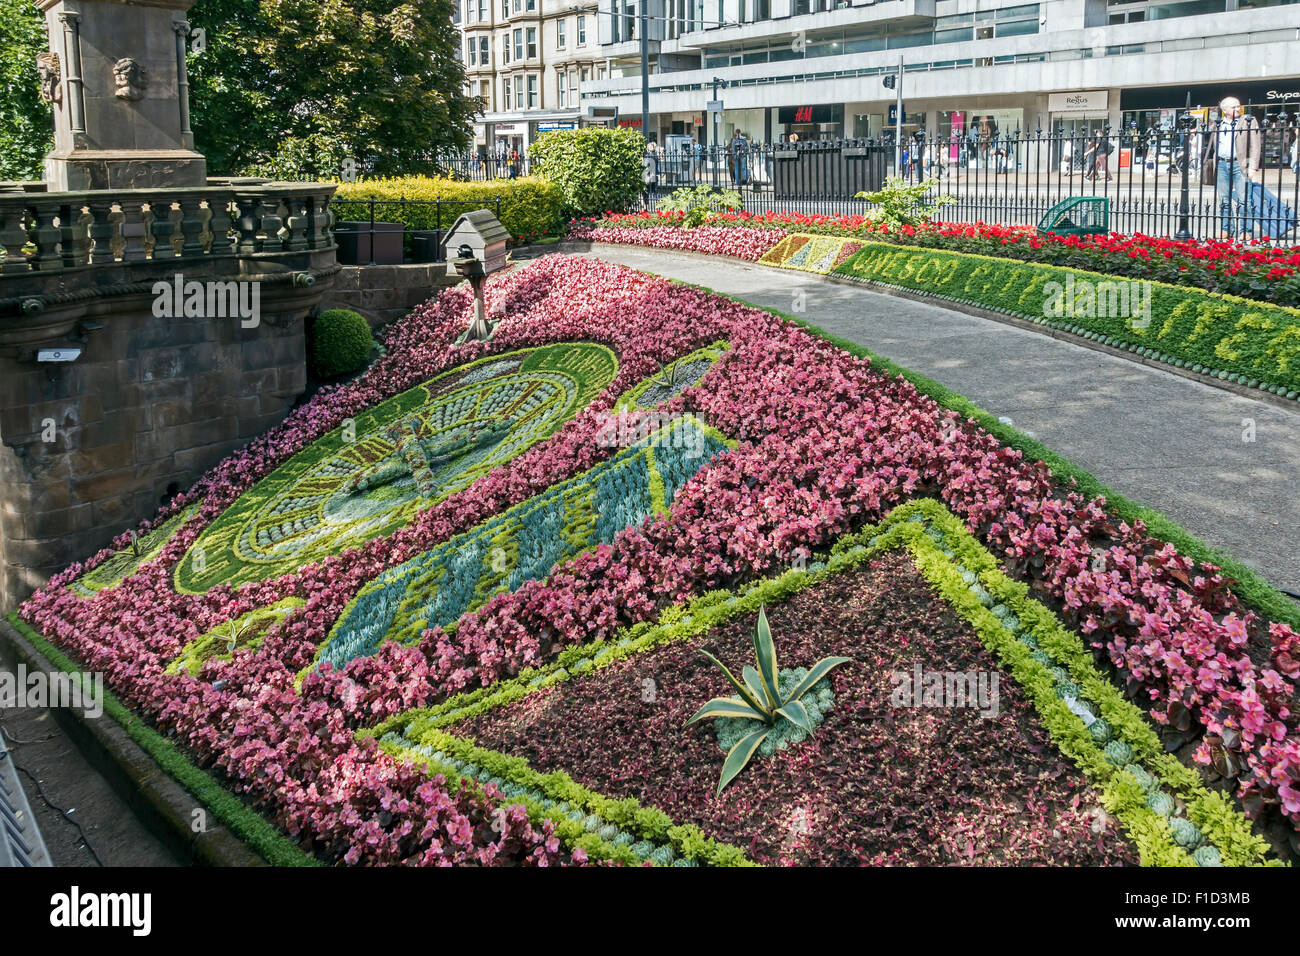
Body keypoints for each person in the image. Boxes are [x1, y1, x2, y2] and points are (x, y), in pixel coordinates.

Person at [1201, 97, 1262, 240]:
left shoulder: (1248, 120)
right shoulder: (1218, 123)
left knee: (1244, 199)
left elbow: (1256, 145)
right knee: (1224, 199)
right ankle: (1226, 229)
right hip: (1222, 163)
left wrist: (1253, 166)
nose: (1237, 109)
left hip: (1241, 163)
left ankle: (1245, 231)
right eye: (1233, 107)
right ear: (1225, 110)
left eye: (1238, 106)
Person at [642, 141, 659, 207]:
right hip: (655, 174)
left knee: (646, 191)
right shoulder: (655, 155)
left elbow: (645, 165)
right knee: (655, 191)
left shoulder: (647, 156)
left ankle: (646, 205)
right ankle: (658, 205)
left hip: (648, 175)